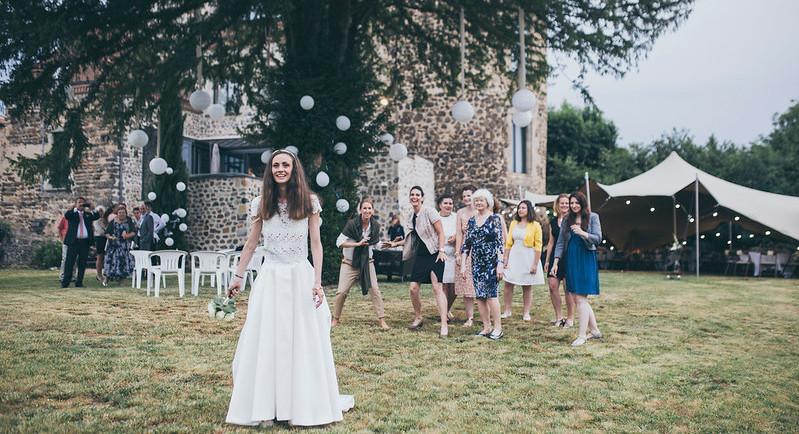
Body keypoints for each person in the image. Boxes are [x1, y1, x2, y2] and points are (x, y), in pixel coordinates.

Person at [225, 149, 353, 427]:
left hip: (300, 275)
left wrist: (317, 282)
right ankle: (265, 407)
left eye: (285, 165)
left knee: (300, 340)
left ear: (295, 169)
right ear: (270, 170)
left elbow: (316, 244)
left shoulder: (310, 202)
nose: (280, 169)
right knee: (267, 339)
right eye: (276, 165)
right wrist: (238, 275)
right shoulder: (261, 203)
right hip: (270, 275)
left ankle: (300, 406)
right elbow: (251, 243)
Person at [384, 186, 450, 337]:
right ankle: (419, 317)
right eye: (412, 194)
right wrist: (395, 244)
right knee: (413, 288)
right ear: (409, 197)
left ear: (422, 198)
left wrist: (441, 250)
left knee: (437, 288)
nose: (414, 197)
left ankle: (444, 324)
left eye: (417, 195)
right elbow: (411, 239)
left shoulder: (429, 211)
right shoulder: (410, 215)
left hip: (435, 254)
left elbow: (441, 232)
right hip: (420, 257)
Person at [551, 192, 603, 347]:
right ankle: (594, 330)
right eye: (571, 203)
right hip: (571, 258)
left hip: (586, 257)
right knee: (577, 297)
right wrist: (555, 262)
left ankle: (581, 335)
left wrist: (583, 233)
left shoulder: (593, 217)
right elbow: (560, 243)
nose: (573, 206)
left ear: (582, 203)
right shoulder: (567, 219)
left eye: (576, 203)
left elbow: (598, 238)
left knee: (581, 298)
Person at [331, 198, 389, 329]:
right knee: (341, 292)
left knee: (375, 289)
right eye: (365, 208)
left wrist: (386, 245)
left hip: (367, 263)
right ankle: (335, 319)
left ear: (373, 211)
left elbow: (374, 244)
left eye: (369, 208)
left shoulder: (375, 226)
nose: (367, 211)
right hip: (349, 263)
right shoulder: (352, 224)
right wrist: (357, 244)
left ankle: (382, 320)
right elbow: (338, 242)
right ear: (360, 210)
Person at [461, 189, 506, 340]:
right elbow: (466, 244)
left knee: (491, 295)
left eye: (482, 200)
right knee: (480, 296)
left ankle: (498, 328)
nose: (479, 203)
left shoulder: (495, 219)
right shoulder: (472, 221)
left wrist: (500, 263)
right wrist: (463, 264)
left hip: (492, 262)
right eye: (477, 200)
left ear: (488, 202)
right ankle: (486, 327)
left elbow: (500, 243)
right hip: (476, 263)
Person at [501, 200, 545, 321]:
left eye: (523, 208)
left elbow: (538, 246)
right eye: (519, 208)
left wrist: (535, 264)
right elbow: (509, 242)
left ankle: (526, 312)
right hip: (514, 255)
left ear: (529, 210)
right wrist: (505, 258)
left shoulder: (535, 225)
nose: (520, 210)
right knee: (508, 283)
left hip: (528, 256)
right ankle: (507, 310)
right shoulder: (514, 223)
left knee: (526, 285)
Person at [544, 194, 575, 328]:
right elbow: (551, 243)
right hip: (555, 256)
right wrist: (546, 261)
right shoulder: (553, 222)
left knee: (568, 289)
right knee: (552, 286)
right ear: (557, 205)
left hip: (569, 255)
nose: (564, 205)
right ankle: (559, 317)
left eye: (567, 203)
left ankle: (570, 318)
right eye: (562, 203)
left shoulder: (574, 220)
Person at [61, 197, 100, 288]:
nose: (81, 204)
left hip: (84, 242)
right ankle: (65, 282)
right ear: (76, 204)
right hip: (74, 242)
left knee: (82, 263)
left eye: (83, 203)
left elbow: (97, 216)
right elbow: (67, 216)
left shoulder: (87, 215)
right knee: (69, 262)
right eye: (79, 202)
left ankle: (79, 282)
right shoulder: (73, 214)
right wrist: (75, 208)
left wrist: (93, 208)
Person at [454, 185, 477, 327]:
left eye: (469, 195)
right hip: (465, 252)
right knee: (466, 285)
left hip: (479, 250)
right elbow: (459, 234)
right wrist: (458, 253)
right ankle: (470, 317)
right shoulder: (460, 213)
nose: (467, 198)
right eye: (465, 196)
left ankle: (486, 312)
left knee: (479, 284)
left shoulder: (481, 210)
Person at [103, 204, 136, 286]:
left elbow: (134, 232)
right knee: (111, 262)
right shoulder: (113, 222)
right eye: (120, 212)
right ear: (117, 214)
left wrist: (127, 236)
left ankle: (121, 280)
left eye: (123, 212)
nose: (121, 214)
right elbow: (106, 233)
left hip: (124, 246)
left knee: (123, 262)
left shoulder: (129, 221)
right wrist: (110, 237)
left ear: (126, 213)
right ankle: (107, 278)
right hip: (113, 246)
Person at [437, 194, 458, 321]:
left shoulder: (456, 217)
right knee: (444, 286)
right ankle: (443, 313)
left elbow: (461, 232)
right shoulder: (436, 218)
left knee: (455, 288)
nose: (448, 206)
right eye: (446, 203)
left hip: (454, 254)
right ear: (440, 205)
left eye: (450, 203)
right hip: (442, 254)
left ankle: (448, 308)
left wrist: (456, 237)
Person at [93, 206, 108, 282]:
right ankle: (99, 274)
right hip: (100, 238)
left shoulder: (105, 219)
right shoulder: (96, 220)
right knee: (100, 256)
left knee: (106, 256)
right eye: (99, 211)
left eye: (102, 211)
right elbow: (100, 231)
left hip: (106, 238)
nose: (101, 213)